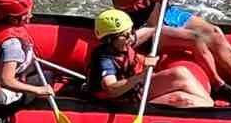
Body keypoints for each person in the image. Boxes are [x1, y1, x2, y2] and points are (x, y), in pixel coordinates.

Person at [87, 9, 215, 107]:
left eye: (131, 32)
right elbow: (111, 89)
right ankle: (213, 114)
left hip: (136, 88)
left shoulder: (123, 44)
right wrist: (141, 75)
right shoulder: (104, 59)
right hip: (120, 101)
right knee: (182, 99)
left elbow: (150, 30)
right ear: (109, 39)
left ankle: (210, 105)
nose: (130, 38)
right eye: (124, 35)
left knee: (180, 72)